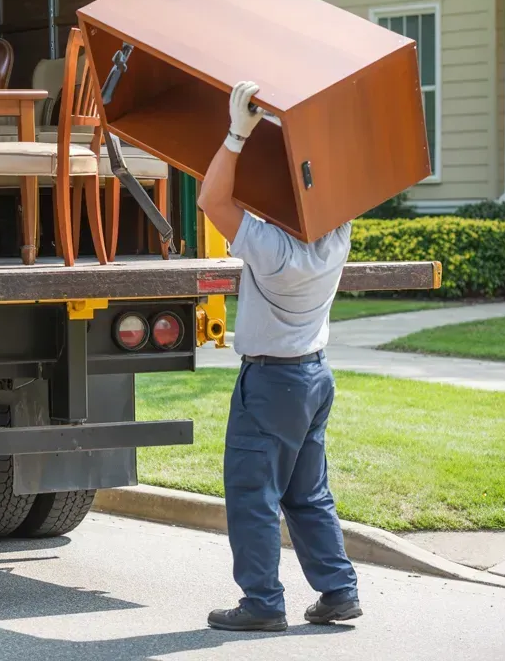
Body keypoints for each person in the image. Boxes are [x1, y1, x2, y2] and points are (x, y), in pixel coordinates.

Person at [197, 80, 362, 632]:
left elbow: (211, 200)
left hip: (271, 386)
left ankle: (263, 603)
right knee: (306, 491)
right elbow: (339, 187)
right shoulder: (336, 237)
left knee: (252, 495)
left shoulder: (274, 252)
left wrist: (238, 133)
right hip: (315, 378)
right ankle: (339, 592)